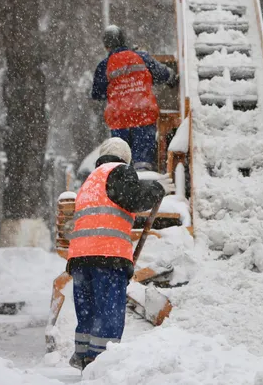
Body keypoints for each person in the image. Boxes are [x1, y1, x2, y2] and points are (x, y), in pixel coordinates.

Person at [66, 137, 171, 370]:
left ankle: (83, 355)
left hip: (80, 258)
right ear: (126, 158)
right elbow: (133, 199)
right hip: (107, 256)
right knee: (108, 312)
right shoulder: (120, 170)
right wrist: (157, 188)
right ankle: (102, 364)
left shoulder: (90, 181)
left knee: (89, 311)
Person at [92, 25, 177, 171]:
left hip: (119, 119)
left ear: (106, 46)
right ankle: (143, 180)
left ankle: (124, 186)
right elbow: (163, 74)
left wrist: (117, 87)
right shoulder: (141, 57)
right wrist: (172, 78)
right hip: (143, 114)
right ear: (124, 40)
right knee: (143, 161)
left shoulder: (104, 65)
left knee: (121, 159)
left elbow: (97, 93)